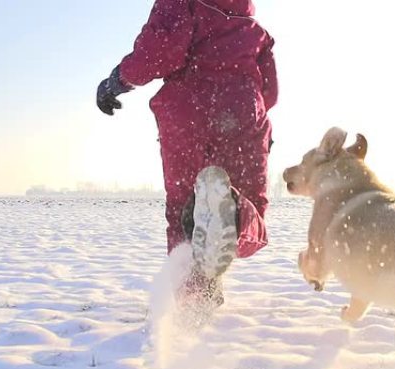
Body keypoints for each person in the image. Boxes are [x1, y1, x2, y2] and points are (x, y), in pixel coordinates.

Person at [96, 0, 277, 310]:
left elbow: (162, 50)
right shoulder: (254, 29)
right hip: (244, 114)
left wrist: (117, 80)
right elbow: (270, 92)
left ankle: (194, 299)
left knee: (184, 209)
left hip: (187, 113)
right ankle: (233, 214)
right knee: (251, 211)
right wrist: (256, 130)